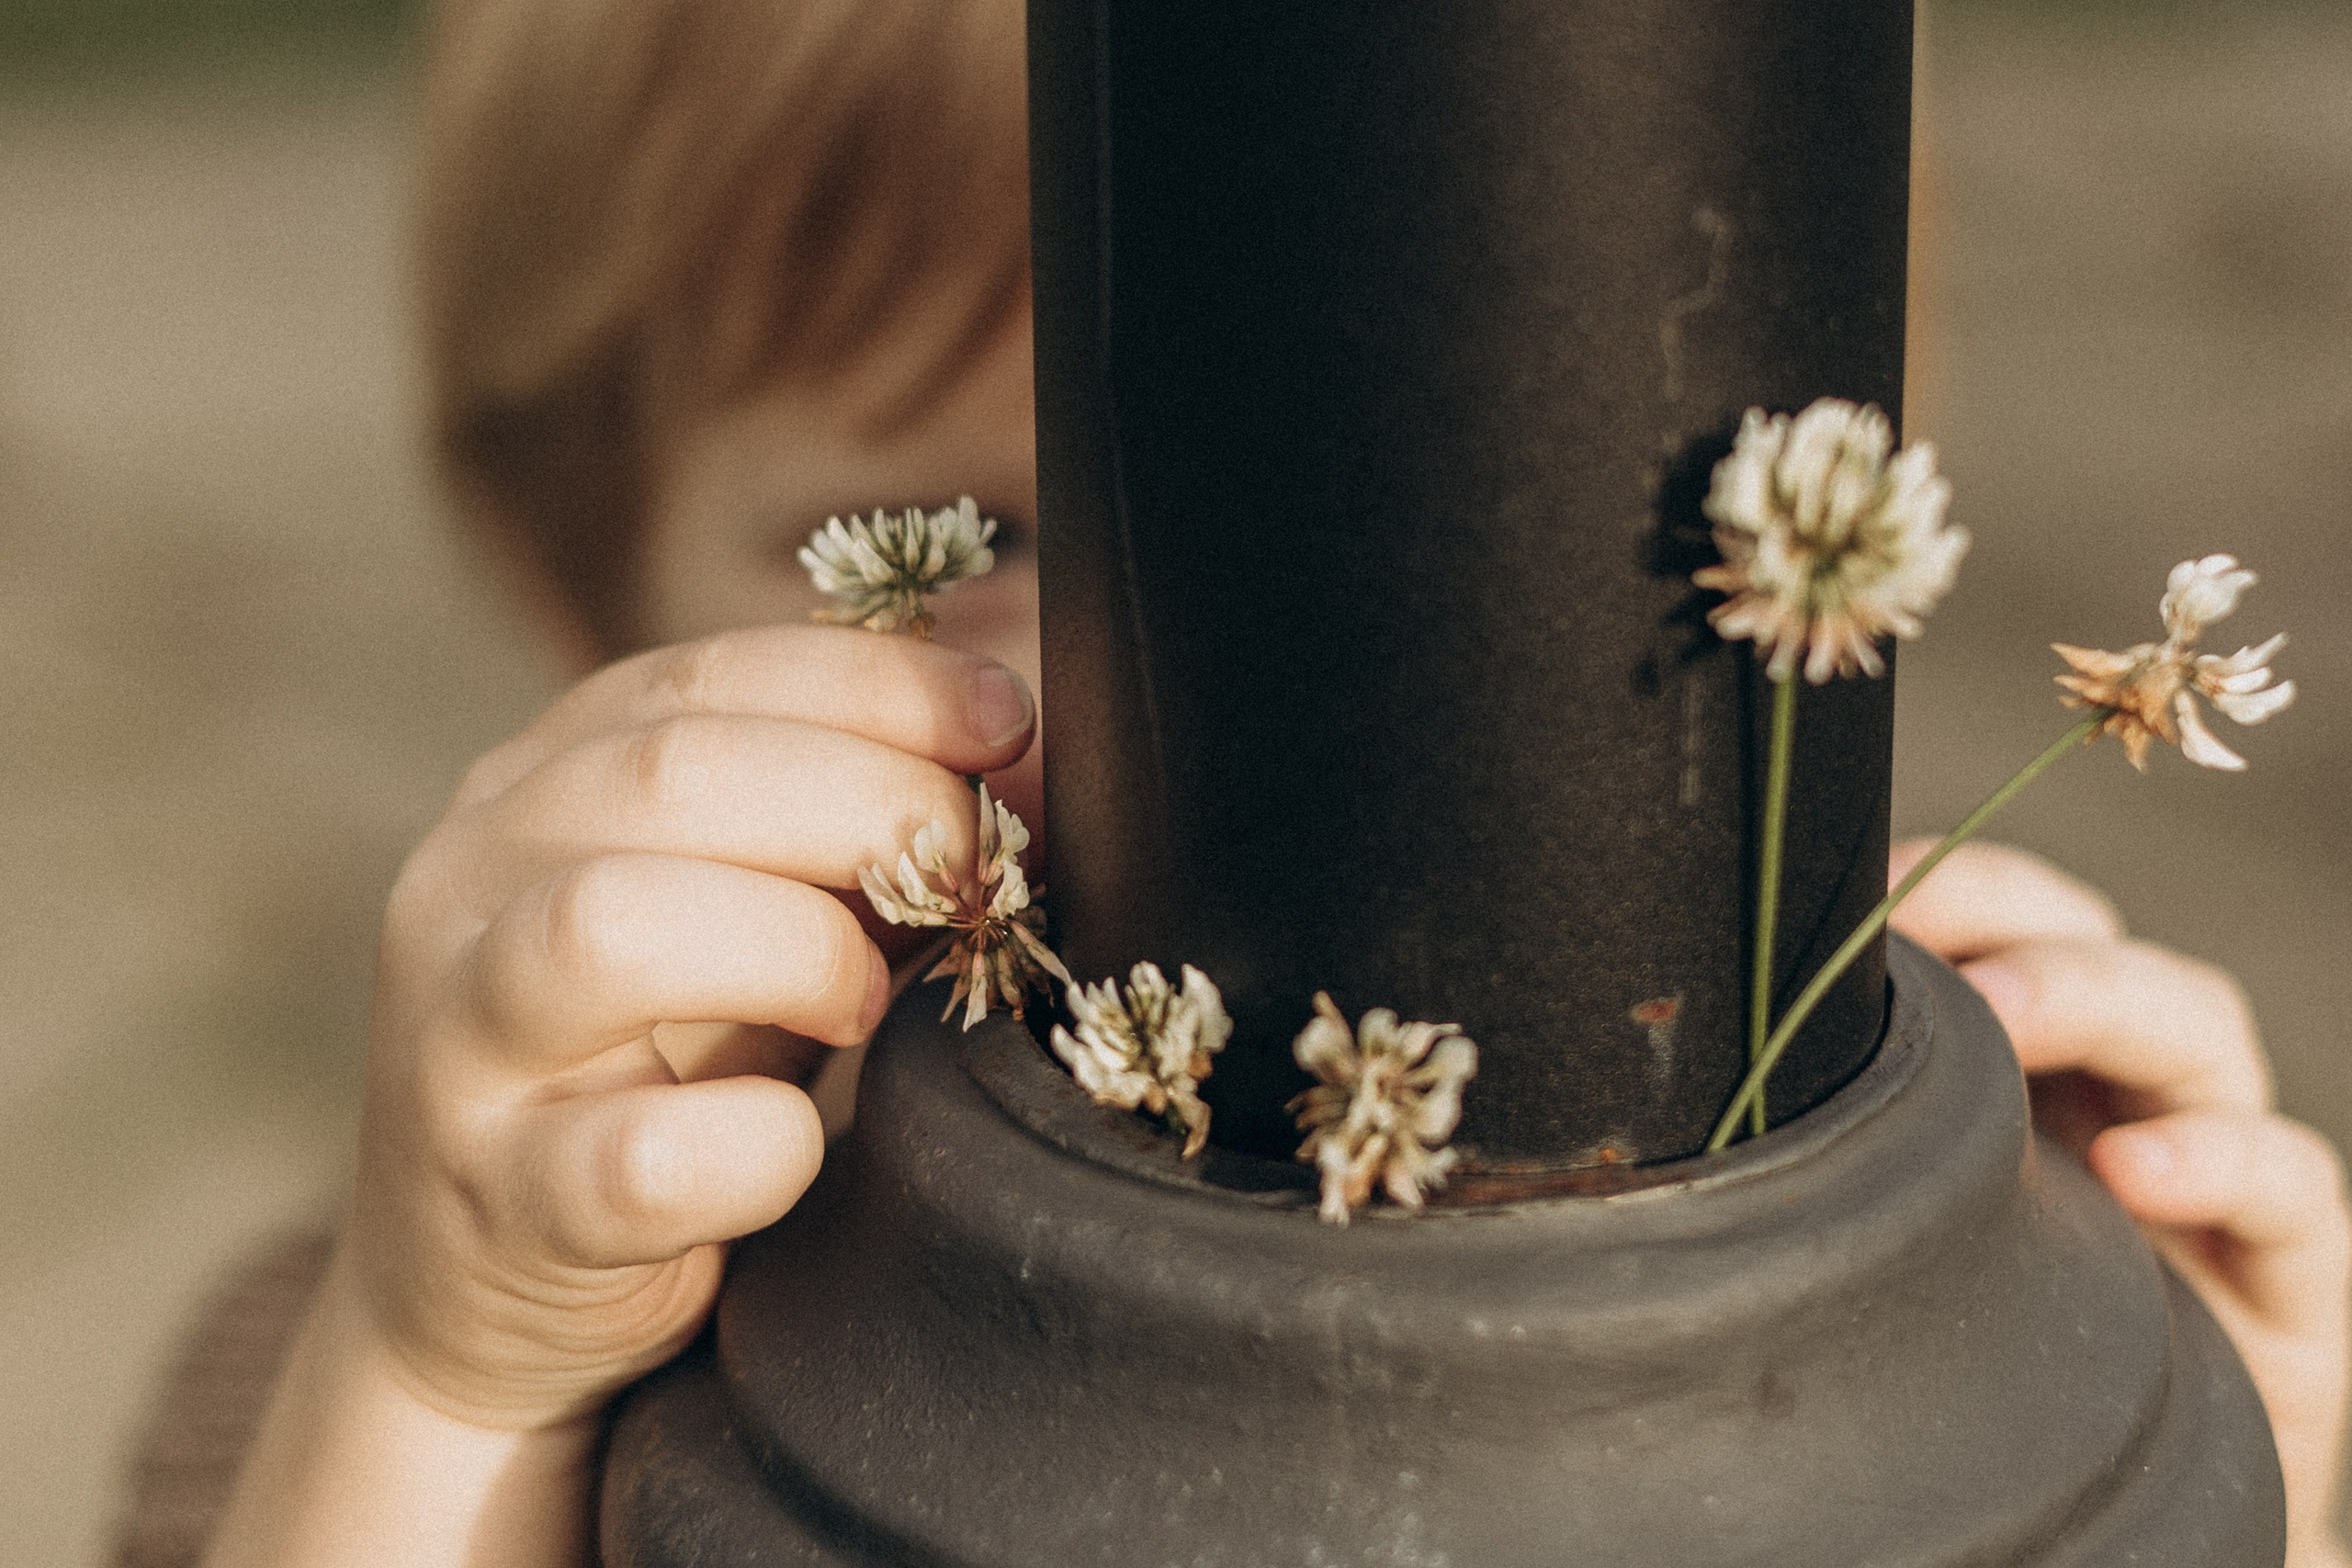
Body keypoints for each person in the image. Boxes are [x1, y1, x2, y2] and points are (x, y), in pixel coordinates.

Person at [177, 0, 2350, 1563]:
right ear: (583, 589)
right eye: (979, 532)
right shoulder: (464, 1314)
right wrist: (435, 1385)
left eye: (1354, 545)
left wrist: (2175, 1461)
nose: (1131, 705)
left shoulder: (1880, 1216)